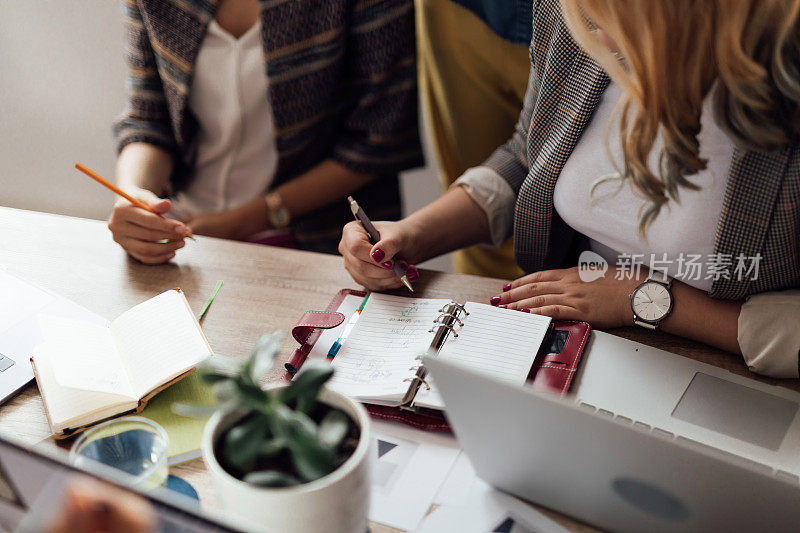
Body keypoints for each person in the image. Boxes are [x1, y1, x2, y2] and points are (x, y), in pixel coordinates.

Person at [340, 0, 800, 377]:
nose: (597, 39)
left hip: (730, 377)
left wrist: (639, 297)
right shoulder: (578, 15)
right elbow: (529, 152)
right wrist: (413, 233)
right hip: (574, 351)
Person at [108, 0, 422, 264]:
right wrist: (133, 195)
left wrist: (242, 222)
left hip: (318, 241)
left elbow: (379, 139)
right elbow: (149, 118)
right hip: (182, 235)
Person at [415, 0, 531, 279]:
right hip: (462, 9)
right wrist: (413, 234)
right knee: (481, 244)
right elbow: (522, 157)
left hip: (584, 19)